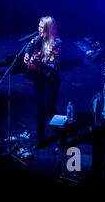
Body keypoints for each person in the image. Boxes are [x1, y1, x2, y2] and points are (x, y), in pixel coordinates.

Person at [23, 16, 62, 149]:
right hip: (38, 79)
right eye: (38, 27)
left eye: (42, 28)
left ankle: (62, 139)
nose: (39, 30)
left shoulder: (57, 43)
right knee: (40, 110)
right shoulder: (38, 38)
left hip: (50, 82)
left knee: (51, 111)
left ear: (49, 29)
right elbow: (30, 44)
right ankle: (41, 139)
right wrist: (27, 54)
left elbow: (53, 67)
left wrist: (38, 63)